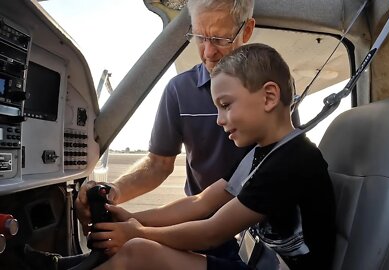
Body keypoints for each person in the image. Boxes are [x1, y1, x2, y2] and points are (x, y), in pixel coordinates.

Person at [23, 1, 256, 269]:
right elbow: (192, 195)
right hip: (195, 222)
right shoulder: (180, 90)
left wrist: (137, 229)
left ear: (246, 30)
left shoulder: (264, 101)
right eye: (200, 36)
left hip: (231, 232)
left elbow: (214, 222)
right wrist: (115, 196)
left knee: (137, 250)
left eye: (219, 37)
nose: (208, 51)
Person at [90, 43, 336, 270]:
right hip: (256, 262)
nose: (219, 120)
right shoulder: (261, 154)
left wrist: (138, 233)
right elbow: (201, 202)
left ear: (269, 97)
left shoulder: (291, 161)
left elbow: (211, 232)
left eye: (226, 105)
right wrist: (134, 220)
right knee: (139, 247)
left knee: (138, 251)